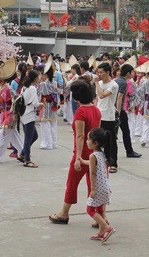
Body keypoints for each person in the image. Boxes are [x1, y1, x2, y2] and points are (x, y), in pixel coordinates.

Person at [49, 79, 101, 225]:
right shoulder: (96, 110)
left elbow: (80, 136)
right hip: (95, 153)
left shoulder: (80, 112)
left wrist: (78, 157)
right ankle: (100, 216)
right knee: (94, 184)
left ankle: (64, 213)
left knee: (72, 183)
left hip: (82, 153)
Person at [78, 127, 116, 243]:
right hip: (105, 187)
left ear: (95, 143)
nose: (86, 141)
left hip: (98, 188)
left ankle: (106, 227)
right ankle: (101, 232)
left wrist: (92, 189)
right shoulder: (101, 154)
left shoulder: (93, 156)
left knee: (90, 209)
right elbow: (91, 164)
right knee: (99, 209)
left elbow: (92, 172)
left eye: (88, 139)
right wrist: (82, 160)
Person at [94, 62, 122, 173]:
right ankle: (101, 161)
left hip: (109, 116)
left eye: (101, 72)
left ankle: (113, 163)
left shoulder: (113, 85)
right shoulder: (99, 83)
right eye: (98, 72)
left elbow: (102, 95)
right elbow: (97, 98)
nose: (99, 74)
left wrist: (96, 83)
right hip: (99, 115)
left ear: (108, 72)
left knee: (111, 141)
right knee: (98, 140)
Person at [115, 64, 142, 157]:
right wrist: (118, 112)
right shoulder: (123, 83)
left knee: (119, 132)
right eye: (132, 72)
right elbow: (119, 97)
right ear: (127, 73)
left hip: (115, 109)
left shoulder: (117, 80)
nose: (133, 74)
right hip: (119, 110)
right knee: (125, 131)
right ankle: (129, 151)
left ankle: (128, 151)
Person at [19, 70, 43, 168]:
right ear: (35, 78)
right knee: (28, 138)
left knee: (34, 136)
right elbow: (35, 103)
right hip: (29, 114)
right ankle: (27, 160)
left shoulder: (25, 87)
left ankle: (22, 154)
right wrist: (41, 104)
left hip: (24, 114)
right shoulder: (32, 88)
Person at [39, 62, 60, 150]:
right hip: (54, 103)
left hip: (46, 103)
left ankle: (47, 144)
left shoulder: (43, 84)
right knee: (53, 124)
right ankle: (53, 143)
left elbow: (40, 94)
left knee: (45, 124)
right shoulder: (55, 83)